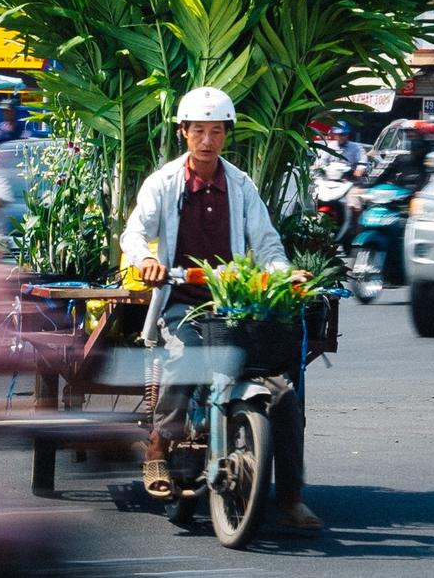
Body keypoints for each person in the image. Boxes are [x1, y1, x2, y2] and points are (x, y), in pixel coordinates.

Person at [121, 86, 322, 530]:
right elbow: (134, 233)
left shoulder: (241, 185)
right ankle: (159, 446)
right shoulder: (164, 183)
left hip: (236, 307)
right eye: (198, 131)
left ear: (226, 135)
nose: (207, 140)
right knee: (182, 363)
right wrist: (148, 261)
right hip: (182, 304)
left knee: (285, 394)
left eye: (216, 131)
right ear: (184, 134)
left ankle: (290, 496)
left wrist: (283, 273)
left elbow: (267, 242)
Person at [372, 119, 434, 193]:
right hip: (398, 197)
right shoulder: (398, 156)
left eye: (414, 136)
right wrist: (365, 187)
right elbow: (380, 174)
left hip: (422, 199)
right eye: (408, 137)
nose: (411, 141)